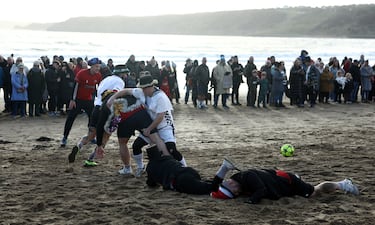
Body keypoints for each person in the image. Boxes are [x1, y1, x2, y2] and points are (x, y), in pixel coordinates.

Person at [107, 73, 187, 177]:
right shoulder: (141, 92)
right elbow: (125, 91)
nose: (143, 91)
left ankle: (184, 168)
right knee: (136, 146)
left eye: (145, 88)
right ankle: (141, 167)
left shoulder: (161, 97)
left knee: (171, 149)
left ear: (151, 87)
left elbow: (160, 117)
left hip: (164, 126)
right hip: (152, 126)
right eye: (142, 88)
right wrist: (112, 98)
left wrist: (149, 129)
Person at [210, 162, 360, 204]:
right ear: (234, 192)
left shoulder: (245, 177)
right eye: (226, 185)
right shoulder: (241, 183)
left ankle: (343, 184)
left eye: (225, 183)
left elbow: (261, 190)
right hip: (279, 180)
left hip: (287, 182)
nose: (227, 181)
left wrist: (251, 201)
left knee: (314, 192)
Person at [68, 64, 126, 165]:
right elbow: (115, 94)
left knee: (91, 134)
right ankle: (91, 159)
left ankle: (79, 145)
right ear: (122, 74)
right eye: (125, 73)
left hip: (96, 108)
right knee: (105, 136)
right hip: (107, 109)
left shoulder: (105, 80)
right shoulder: (120, 81)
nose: (126, 76)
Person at [146, 145, 239, 194]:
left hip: (181, 181)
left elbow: (151, 184)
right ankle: (232, 185)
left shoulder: (150, 167)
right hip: (189, 171)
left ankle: (224, 168)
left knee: (212, 188)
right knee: (209, 185)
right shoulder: (167, 158)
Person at [61, 58, 102, 147]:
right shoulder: (82, 73)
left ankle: (91, 137)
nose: (98, 69)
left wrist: (98, 100)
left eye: (99, 67)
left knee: (93, 119)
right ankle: (65, 137)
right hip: (78, 100)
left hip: (89, 100)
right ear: (91, 67)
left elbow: (99, 88)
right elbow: (75, 87)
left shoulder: (98, 75)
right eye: (96, 67)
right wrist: (72, 100)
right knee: (70, 118)